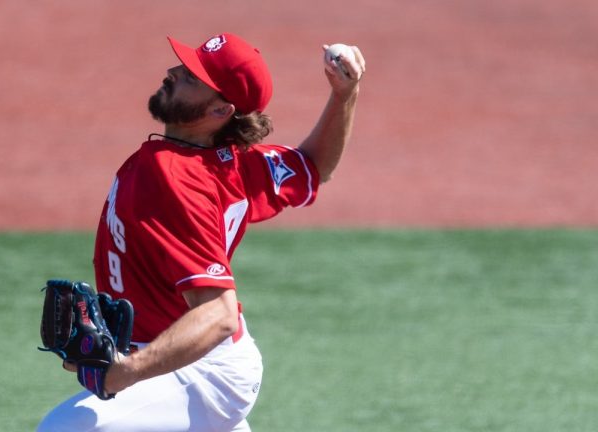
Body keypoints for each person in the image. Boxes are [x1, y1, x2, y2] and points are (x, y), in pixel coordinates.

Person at [37, 32, 365, 432]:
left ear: (220, 110)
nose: (174, 72)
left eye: (192, 78)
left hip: (202, 372)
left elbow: (219, 315)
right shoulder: (235, 163)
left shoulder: (177, 178)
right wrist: (343, 95)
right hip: (198, 361)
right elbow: (314, 165)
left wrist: (127, 371)